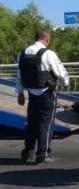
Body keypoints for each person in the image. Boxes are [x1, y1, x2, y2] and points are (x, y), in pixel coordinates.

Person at [16, 30, 70, 164]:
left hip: (31, 94)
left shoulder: (22, 53)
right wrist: (66, 82)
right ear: (47, 40)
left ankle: (28, 152)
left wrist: (20, 93)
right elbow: (60, 71)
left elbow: (19, 74)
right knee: (45, 124)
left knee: (32, 123)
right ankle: (43, 154)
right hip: (47, 94)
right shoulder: (48, 53)